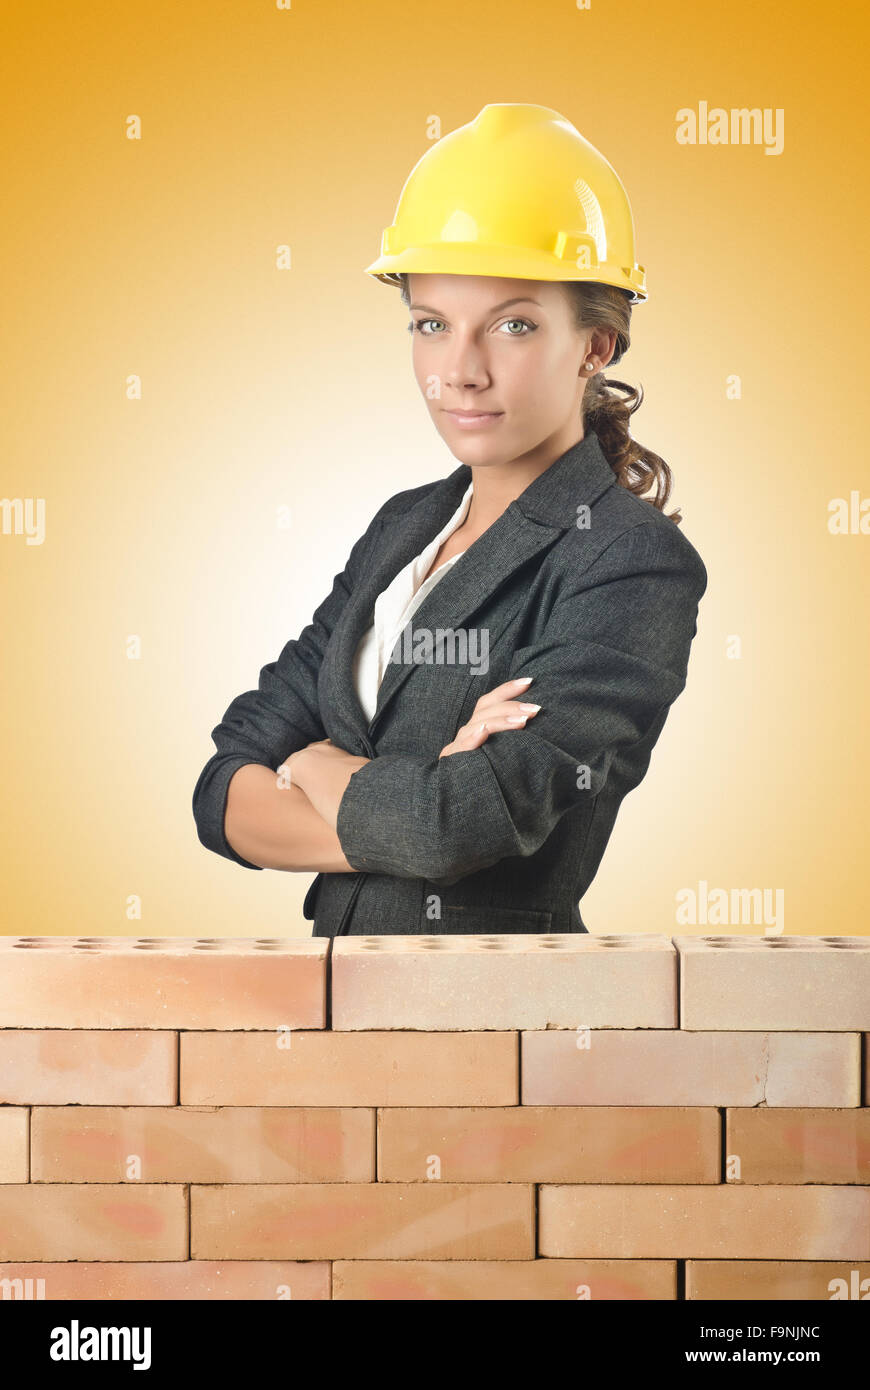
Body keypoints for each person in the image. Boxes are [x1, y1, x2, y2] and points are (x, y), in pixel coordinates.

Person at [192, 103, 708, 937]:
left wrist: (315, 764)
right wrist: (411, 796)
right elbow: (220, 794)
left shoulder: (631, 562)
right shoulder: (404, 528)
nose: (460, 372)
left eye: (512, 325)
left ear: (595, 345)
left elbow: (463, 824)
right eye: (431, 325)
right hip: (332, 1014)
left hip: (499, 1025)